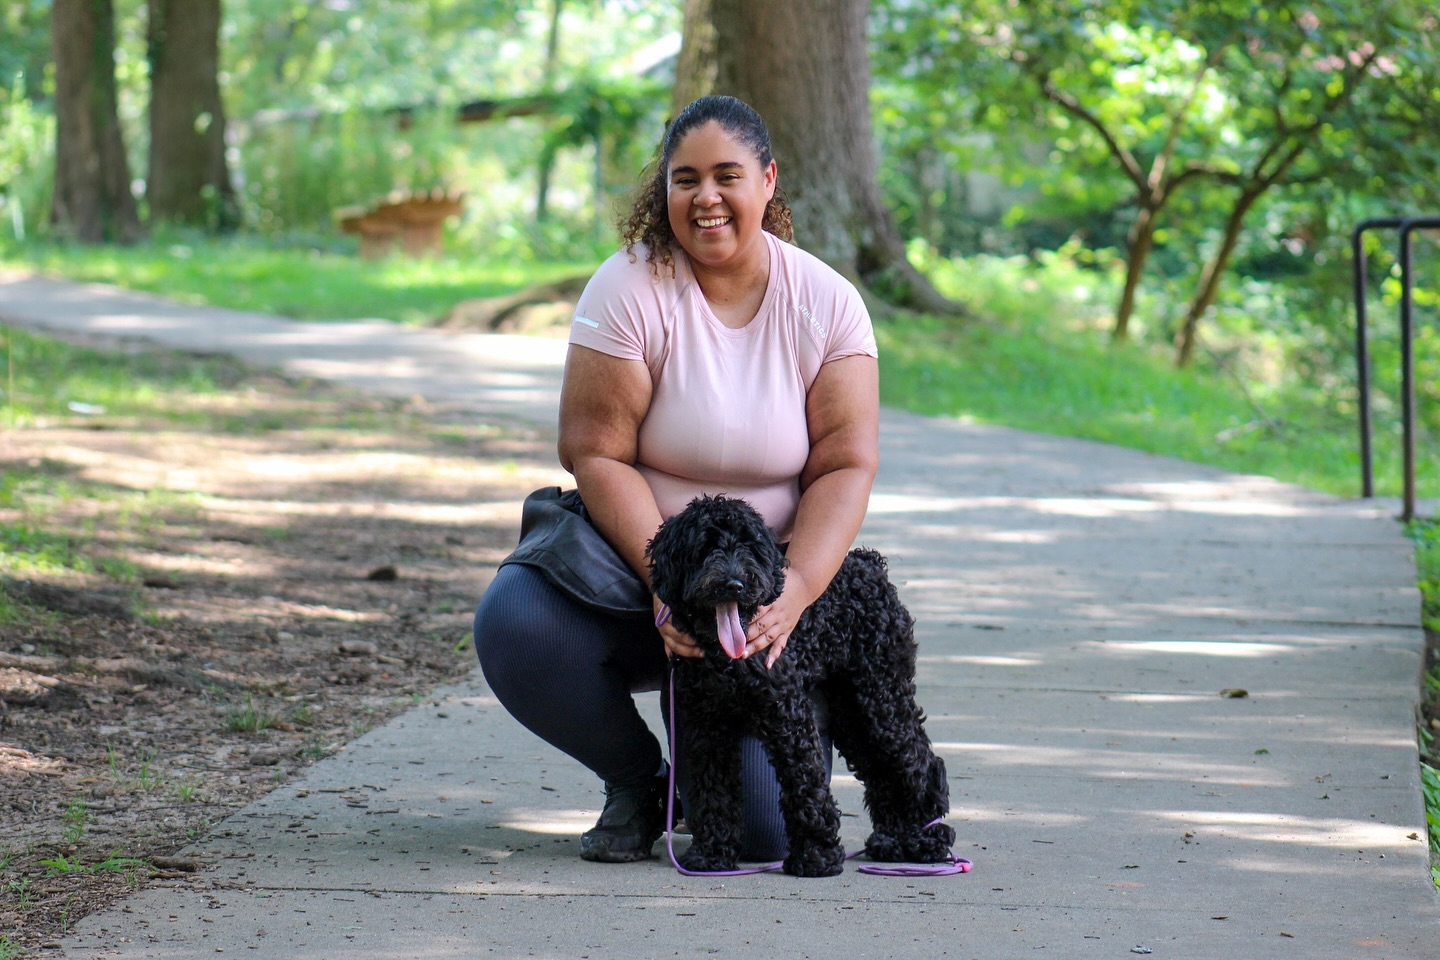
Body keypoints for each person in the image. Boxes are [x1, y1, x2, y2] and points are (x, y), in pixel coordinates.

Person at [472, 94, 879, 864]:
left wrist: (794, 593)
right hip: (637, 571)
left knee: (763, 833)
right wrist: (664, 584)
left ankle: (746, 737)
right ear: (664, 191)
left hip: (760, 594)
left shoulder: (825, 302)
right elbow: (595, 453)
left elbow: (846, 464)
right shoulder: (628, 287)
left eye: (728, 175)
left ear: (768, 181)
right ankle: (642, 784)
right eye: (685, 178)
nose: (707, 197)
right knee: (517, 622)